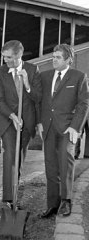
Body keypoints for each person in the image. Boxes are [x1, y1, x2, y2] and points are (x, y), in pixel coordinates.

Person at [37, 44, 89, 218]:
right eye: (53, 56)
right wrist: (39, 122)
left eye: (58, 57)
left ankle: (66, 202)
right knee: (50, 166)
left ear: (68, 60)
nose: (54, 60)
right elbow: (37, 100)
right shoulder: (44, 76)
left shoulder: (79, 77)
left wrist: (75, 126)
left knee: (65, 165)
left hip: (68, 129)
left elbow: (84, 104)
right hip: (49, 128)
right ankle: (52, 204)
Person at [0, 40, 40, 208]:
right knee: (10, 157)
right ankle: (8, 199)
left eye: (9, 57)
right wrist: (12, 115)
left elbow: (37, 98)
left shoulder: (32, 69)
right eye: (4, 57)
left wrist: (27, 84)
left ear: (19, 55)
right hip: (7, 120)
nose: (5, 61)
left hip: (26, 121)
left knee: (19, 160)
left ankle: (14, 192)